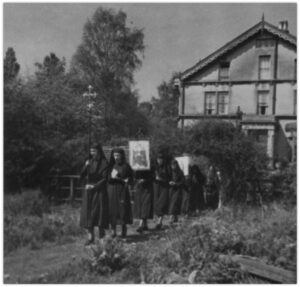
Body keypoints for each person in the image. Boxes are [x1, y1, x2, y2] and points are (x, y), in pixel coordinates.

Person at [80, 143, 109, 245]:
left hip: (99, 191)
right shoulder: (89, 162)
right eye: (91, 151)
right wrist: (85, 166)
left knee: (99, 213)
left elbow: (105, 179)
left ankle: (102, 236)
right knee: (88, 214)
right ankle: (90, 237)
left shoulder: (105, 163)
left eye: (94, 151)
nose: (92, 153)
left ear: (99, 151)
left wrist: (94, 186)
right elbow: (82, 176)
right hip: (89, 191)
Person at [107, 148, 133, 237]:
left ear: (122, 155)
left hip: (122, 190)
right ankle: (113, 231)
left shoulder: (126, 166)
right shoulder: (111, 166)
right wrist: (112, 178)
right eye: (114, 155)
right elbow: (107, 178)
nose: (116, 157)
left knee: (122, 209)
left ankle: (123, 230)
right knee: (112, 209)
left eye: (118, 155)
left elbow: (131, 178)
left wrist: (128, 180)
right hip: (112, 189)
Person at [153, 152, 170, 230]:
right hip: (156, 187)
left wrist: (162, 179)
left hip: (164, 187)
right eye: (158, 159)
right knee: (156, 204)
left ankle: (159, 222)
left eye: (161, 159)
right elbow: (151, 177)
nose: (160, 161)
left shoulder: (167, 168)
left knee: (162, 204)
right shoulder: (154, 168)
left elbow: (169, 178)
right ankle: (158, 221)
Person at [133, 169, 154, 233]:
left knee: (145, 206)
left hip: (147, 190)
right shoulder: (137, 167)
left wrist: (145, 180)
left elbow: (153, 177)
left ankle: (140, 225)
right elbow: (134, 177)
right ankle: (145, 225)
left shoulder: (149, 167)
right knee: (141, 206)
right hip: (140, 189)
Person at [168, 159, 185, 223]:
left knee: (174, 203)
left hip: (177, 190)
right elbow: (167, 179)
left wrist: (176, 184)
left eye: (174, 165)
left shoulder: (180, 172)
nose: (173, 166)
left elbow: (183, 181)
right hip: (171, 189)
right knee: (171, 203)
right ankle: (175, 217)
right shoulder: (169, 172)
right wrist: (169, 182)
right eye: (172, 165)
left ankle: (171, 217)